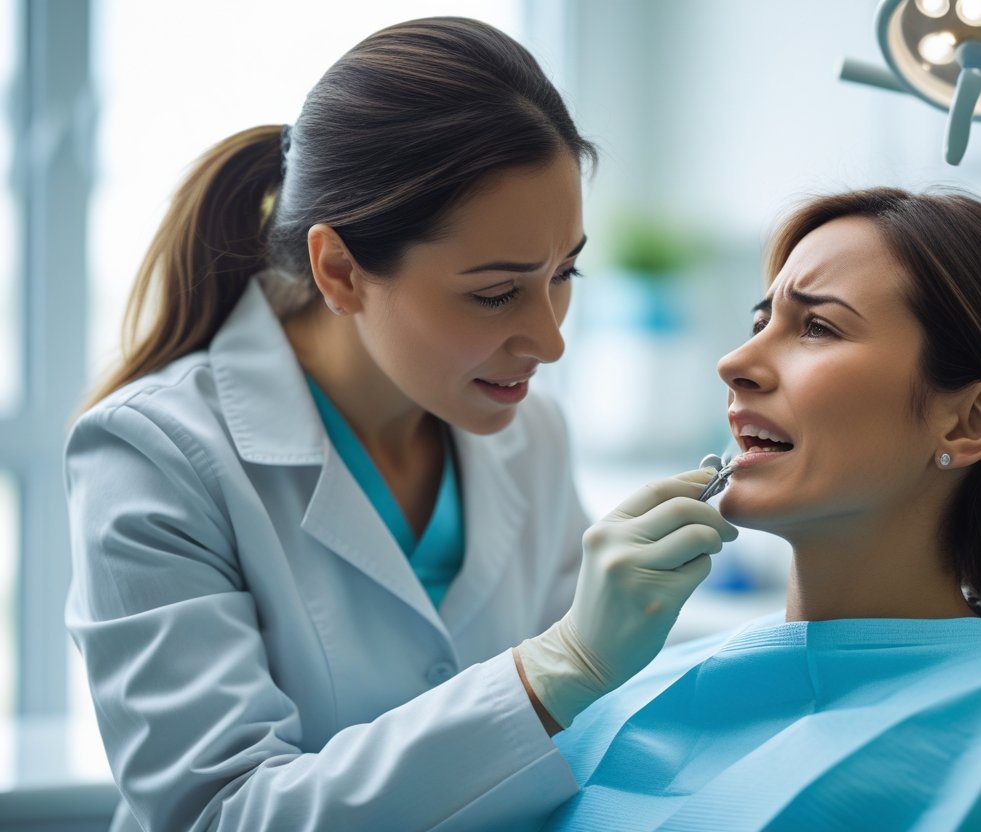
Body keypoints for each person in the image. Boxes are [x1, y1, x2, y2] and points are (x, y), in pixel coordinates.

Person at [64, 17, 735, 831]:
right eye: (496, 293)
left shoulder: (529, 434)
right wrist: (555, 670)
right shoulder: (153, 456)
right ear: (340, 271)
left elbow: (596, 730)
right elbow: (221, 814)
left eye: (564, 273)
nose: (551, 339)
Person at [542, 187, 981, 831]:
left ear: (966, 423)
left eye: (816, 328)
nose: (735, 362)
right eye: (759, 322)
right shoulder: (641, 675)